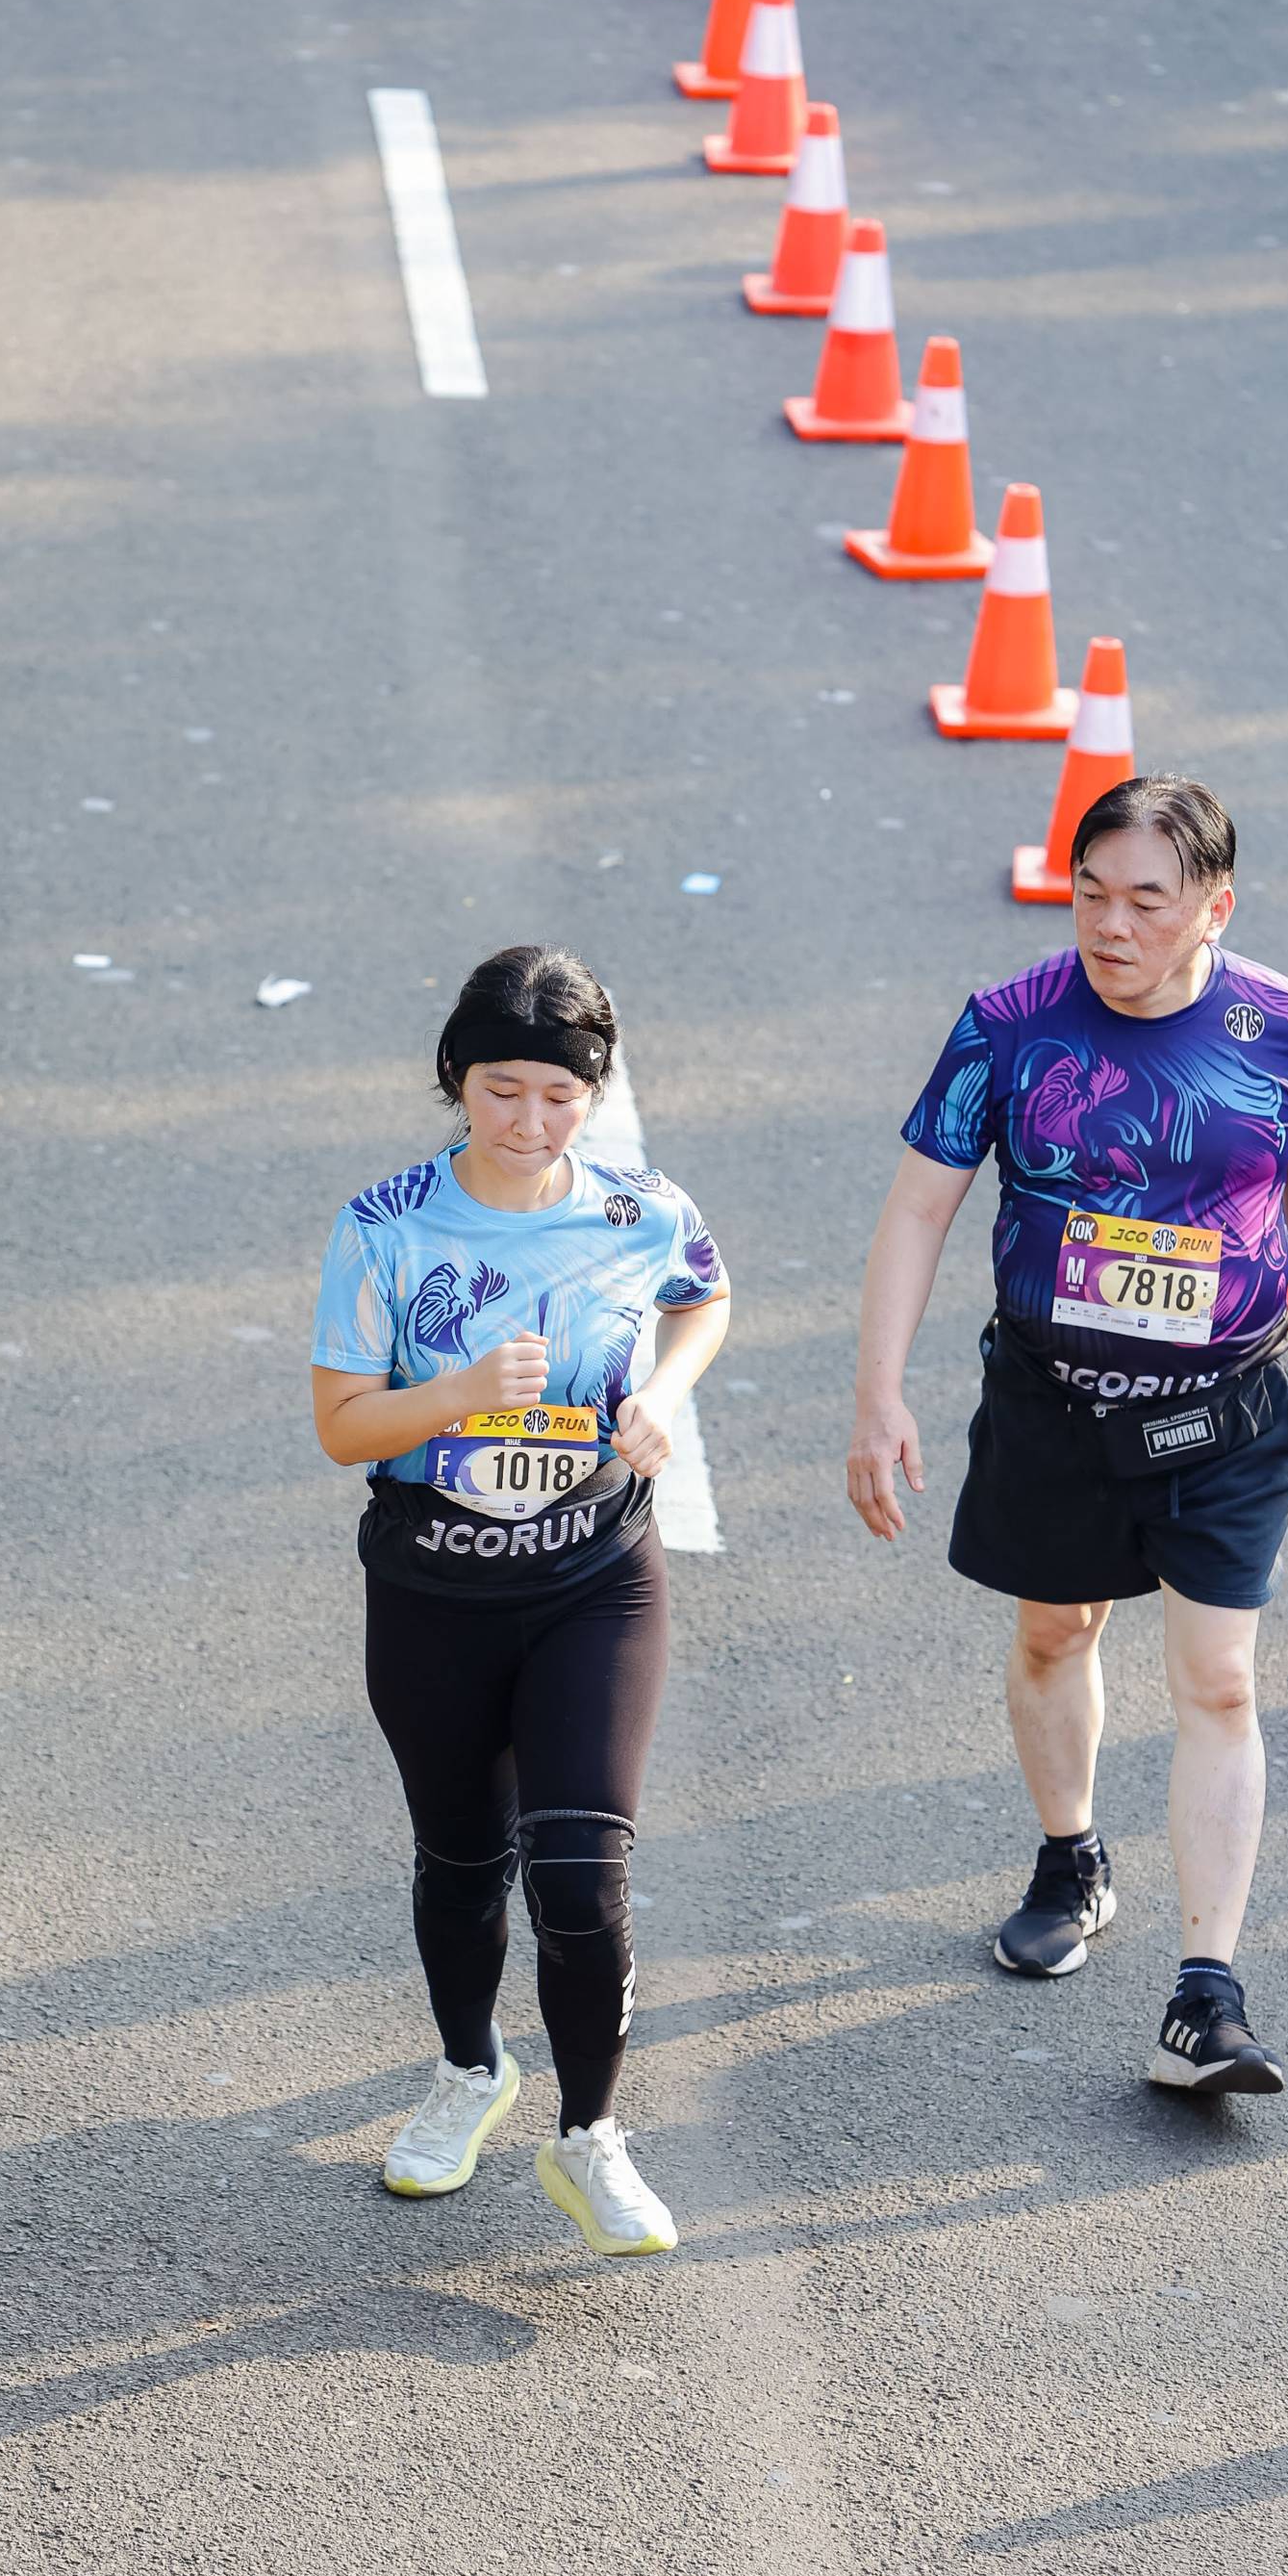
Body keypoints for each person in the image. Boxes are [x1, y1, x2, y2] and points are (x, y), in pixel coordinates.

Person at [847, 776, 1288, 2093]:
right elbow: (919, 1209)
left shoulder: (1287, 1030)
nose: (1112, 926)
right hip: (1055, 1404)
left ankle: (1207, 1995)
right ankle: (1071, 1856)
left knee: (1222, 1683)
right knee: (1054, 1631)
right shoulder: (1009, 1025)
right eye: (1090, 894)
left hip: (1226, 1410)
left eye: (1147, 900)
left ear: (1215, 908)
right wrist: (878, 1392)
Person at [312, 946, 730, 2252]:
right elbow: (340, 1425)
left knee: (582, 1872)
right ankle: (467, 2072)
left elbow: (705, 1299)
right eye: (502, 1090)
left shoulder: (641, 1211)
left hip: (593, 1578)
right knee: (460, 1861)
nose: (531, 1121)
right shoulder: (385, 1225)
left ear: (594, 1095)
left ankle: (590, 2138)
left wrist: (661, 1394)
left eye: (561, 1096)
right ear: (454, 1076)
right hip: (432, 1588)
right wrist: (455, 1394)